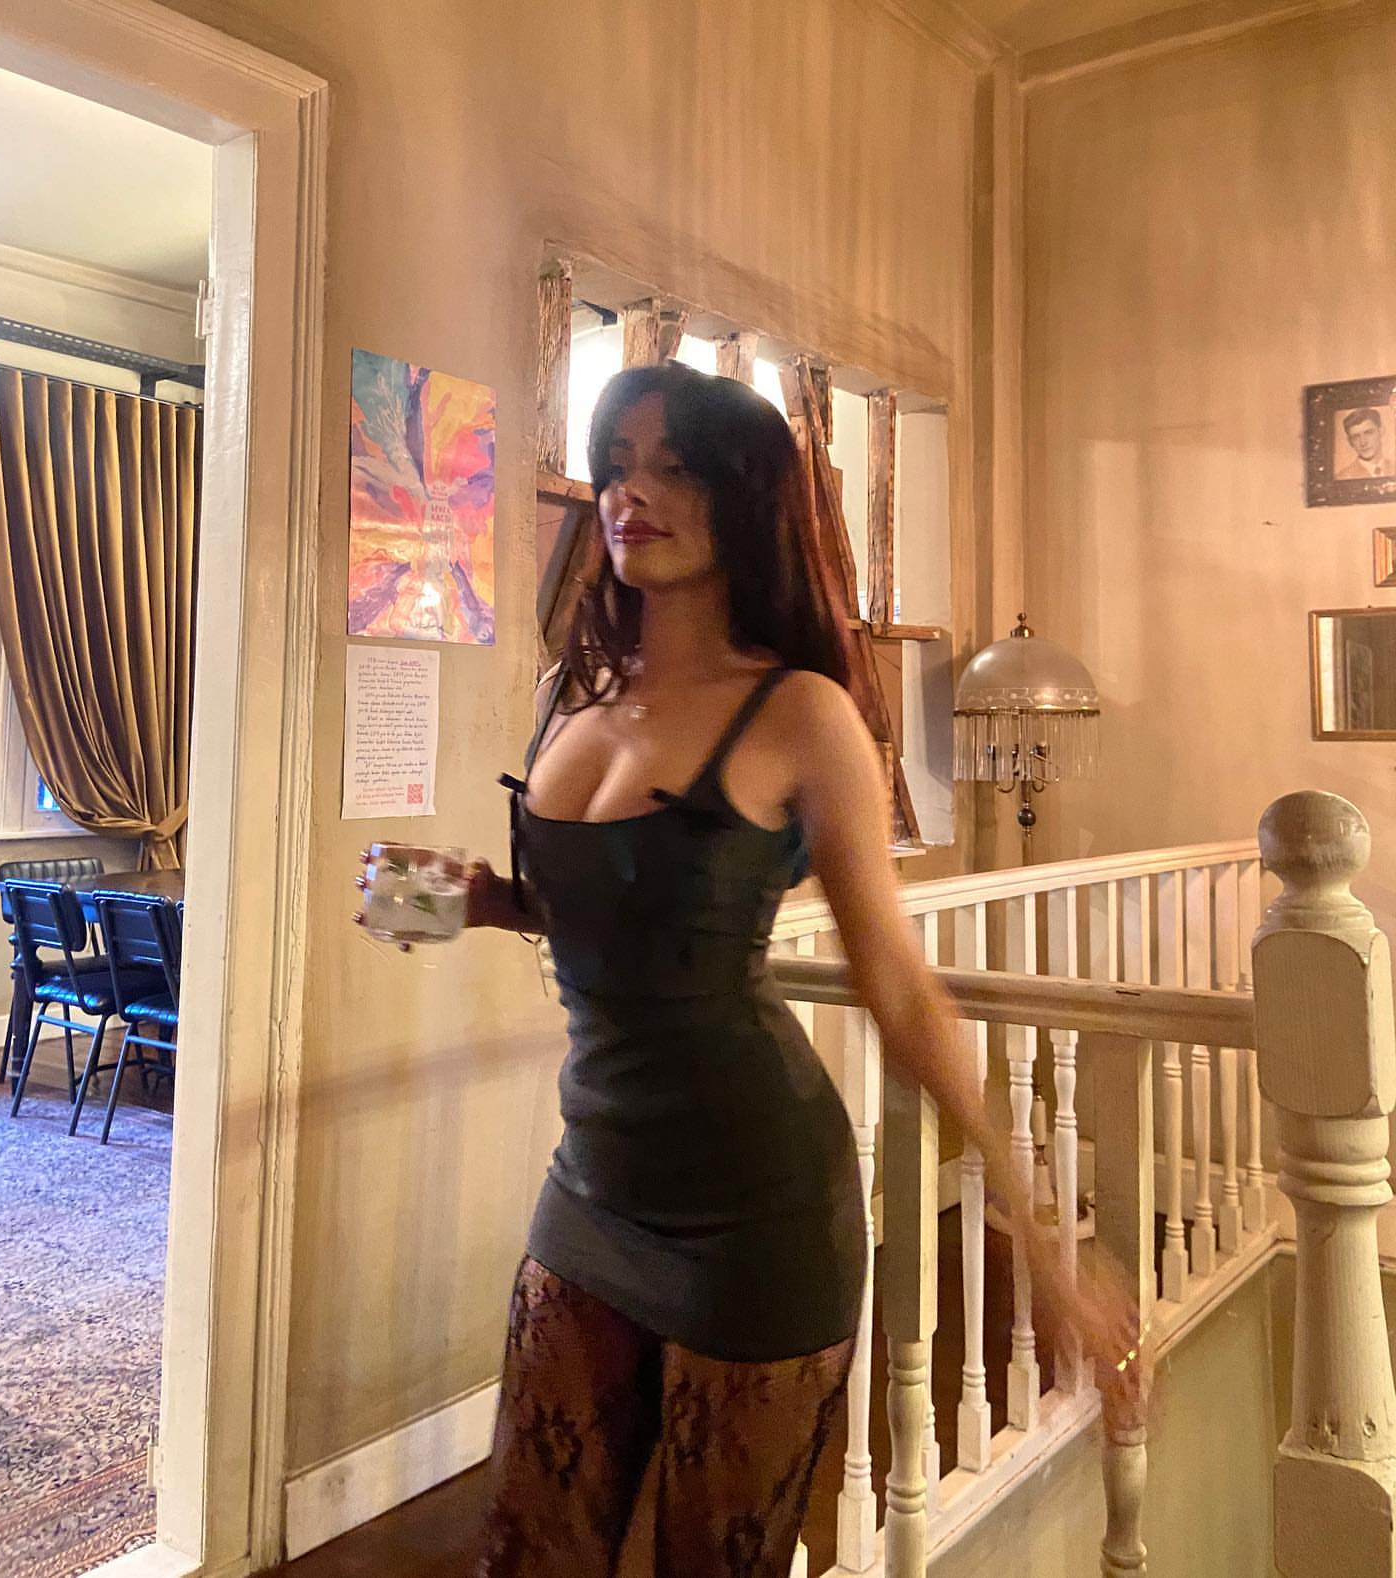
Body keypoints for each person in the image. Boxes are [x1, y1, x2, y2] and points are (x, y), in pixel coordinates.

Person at [370, 362, 1139, 1576]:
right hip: (593, 1185)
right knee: (526, 1551)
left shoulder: (802, 714)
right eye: (616, 465)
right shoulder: (574, 696)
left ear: (743, 499)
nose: (631, 494)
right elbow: (611, 910)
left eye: (674, 467)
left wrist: (1043, 1243)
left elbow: (899, 986)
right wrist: (483, 901)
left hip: (759, 1212)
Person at [1338, 407, 1392, 480]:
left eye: (1368, 433)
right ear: (1350, 441)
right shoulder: (1343, 477)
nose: (1363, 442)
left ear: (1381, 431)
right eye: (1356, 437)